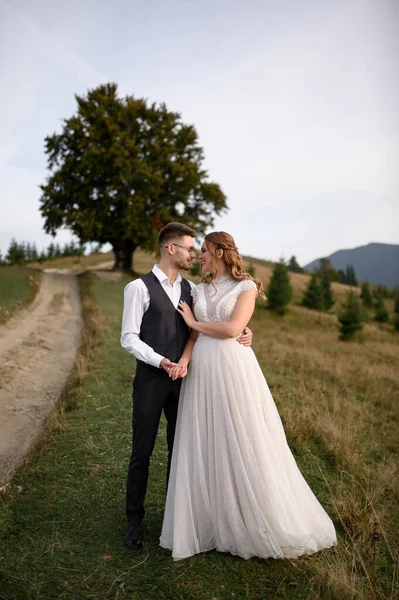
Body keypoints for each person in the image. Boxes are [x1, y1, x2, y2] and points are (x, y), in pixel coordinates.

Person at [160, 231, 337, 561]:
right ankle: (211, 519)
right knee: (208, 439)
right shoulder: (197, 290)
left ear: (220, 252)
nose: (199, 256)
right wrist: (184, 361)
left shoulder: (246, 287)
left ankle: (253, 514)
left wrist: (194, 322)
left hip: (233, 368)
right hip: (202, 373)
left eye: (205, 251)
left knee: (242, 435)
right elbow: (194, 340)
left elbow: (232, 329)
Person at [120, 223, 252, 551]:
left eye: (197, 249)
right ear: (170, 249)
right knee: (142, 451)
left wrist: (246, 331)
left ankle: (176, 517)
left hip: (187, 383)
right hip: (151, 381)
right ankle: (133, 521)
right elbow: (128, 338)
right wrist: (160, 361)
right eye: (189, 248)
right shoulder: (138, 288)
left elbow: (213, 320)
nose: (193, 254)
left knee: (183, 451)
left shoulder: (193, 289)